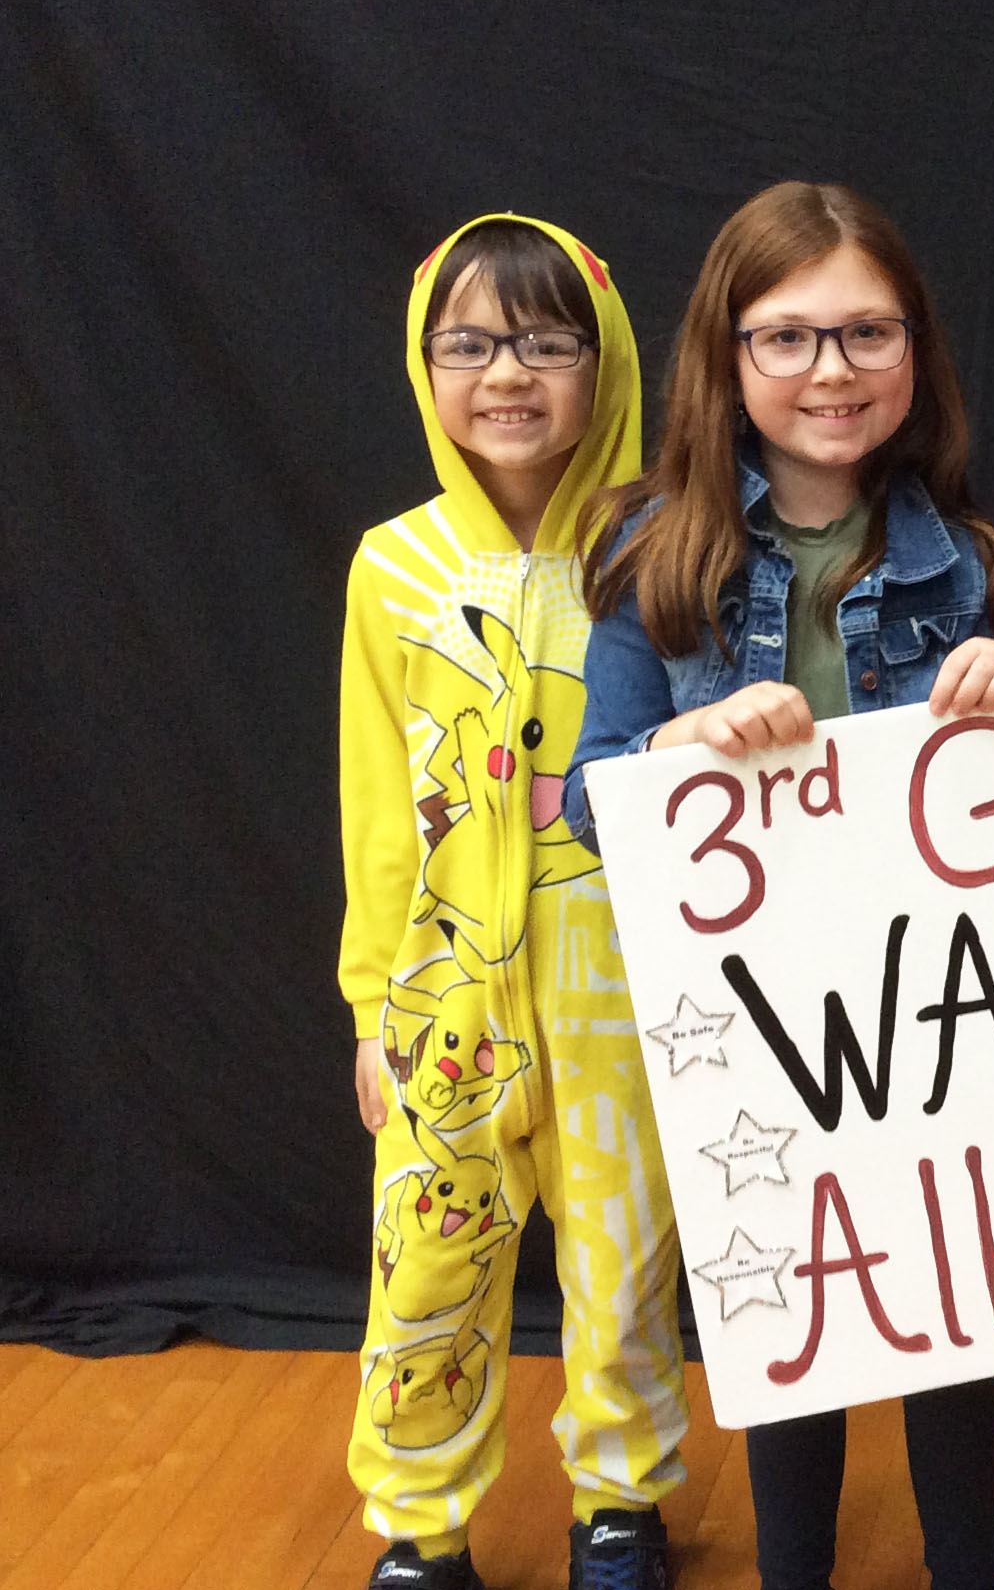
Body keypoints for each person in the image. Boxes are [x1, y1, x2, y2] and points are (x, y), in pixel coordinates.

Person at [563, 181, 994, 1590]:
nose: (831, 372)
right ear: (727, 356)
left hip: (940, 1004)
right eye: (787, 338)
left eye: (866, 334)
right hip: (758, 1015)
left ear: (916, 353)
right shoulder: (650, 549)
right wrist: (676, 743)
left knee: (958, 1321)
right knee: (796, 1332)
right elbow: (589, 793)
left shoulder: (973, 558)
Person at [339, 213, 687, 1590]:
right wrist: (376, 1002)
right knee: (427, 1265)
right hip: (448, 996)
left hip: (624, 981)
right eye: (470, 344)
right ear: (426, 367)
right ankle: (421, 1525)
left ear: (604, 362)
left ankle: (623, 1505)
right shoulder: (395, 568)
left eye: (548, 342)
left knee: (624, 1266)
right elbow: (377, 803)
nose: (507, 375)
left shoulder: (663, 541)